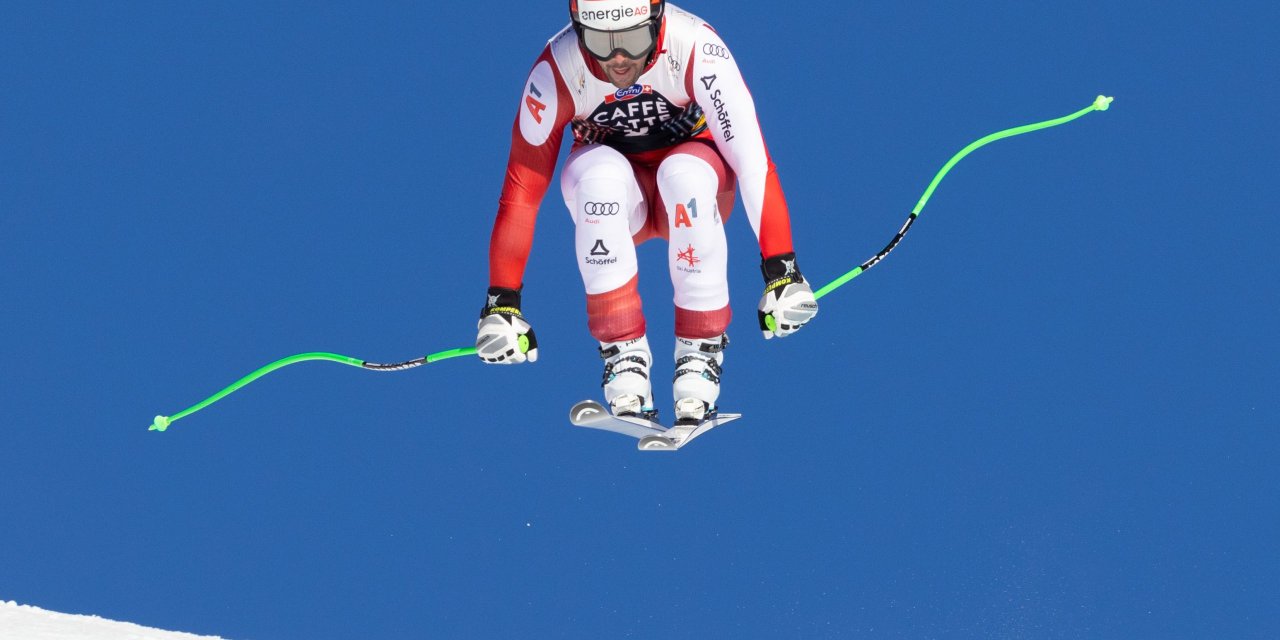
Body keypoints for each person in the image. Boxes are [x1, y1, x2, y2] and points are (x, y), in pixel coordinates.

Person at [475, 0, 818, 423]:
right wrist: (502, 304)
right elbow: (522, 192)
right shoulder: (557, 69)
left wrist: (782, 270)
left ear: (656, 24)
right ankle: (623, 356)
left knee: (684, 175)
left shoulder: (694, 46)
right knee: (599, 179)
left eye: (633, 40)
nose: (618, 58)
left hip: (696, 176)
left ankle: (700, 351)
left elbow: (752, 163)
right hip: (622, 199)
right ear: (578, 31)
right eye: (600, 44)